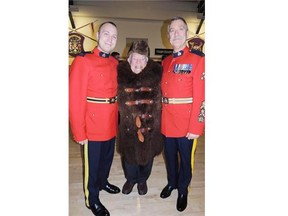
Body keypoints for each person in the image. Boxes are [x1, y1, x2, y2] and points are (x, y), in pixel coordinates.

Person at [69, 21, 120, 216]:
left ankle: (103, 182)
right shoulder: (83, 61)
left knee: (107, 159)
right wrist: (79, 131)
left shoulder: (115, 63)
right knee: (92, 164)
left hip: (110, 123)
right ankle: (92, 198)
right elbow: (75, 99)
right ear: (98, 35)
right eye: (106, 34)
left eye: (114, 36)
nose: (110, 39)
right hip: (92, 126)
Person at [160, 16, 205, 212]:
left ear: (187, 34)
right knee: (170, 157)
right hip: (166, 121)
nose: (176, 33)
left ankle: (183, 190)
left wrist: (196, 126)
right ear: (168, 35)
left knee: (185, 160)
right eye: (172, 30)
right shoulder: (166, 61)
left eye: (180, 29)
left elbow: (202, 97)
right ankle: (172, 183)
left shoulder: (198, 59)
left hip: (187, 123)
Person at [117, 40, 163, 196]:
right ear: (128, 59)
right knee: (129, 158)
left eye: (142, 59)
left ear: (147, 61)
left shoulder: (157, 75)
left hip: (150, 127)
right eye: (134, 58)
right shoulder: (120, 74)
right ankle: (130, 179)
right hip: (128, 128)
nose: (138, 62)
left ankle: (142, 180)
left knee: (147, 156)